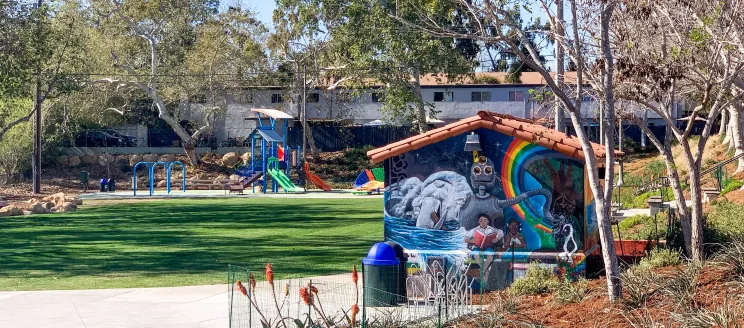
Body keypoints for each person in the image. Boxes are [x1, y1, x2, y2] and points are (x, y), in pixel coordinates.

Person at [464, 214, 504, 281]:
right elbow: (464, 238)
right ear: (478, 222)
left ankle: (481, 271)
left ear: (488, 221)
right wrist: (471, 240)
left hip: (487, 247)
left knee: (490, 255)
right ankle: (485, 270)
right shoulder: (475, 230)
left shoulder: (492, 229)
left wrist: (496, 238)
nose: (483, 222)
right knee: (476, 254)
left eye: (485, 220)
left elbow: (501, 232)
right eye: (481, 221)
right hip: (477, 247)